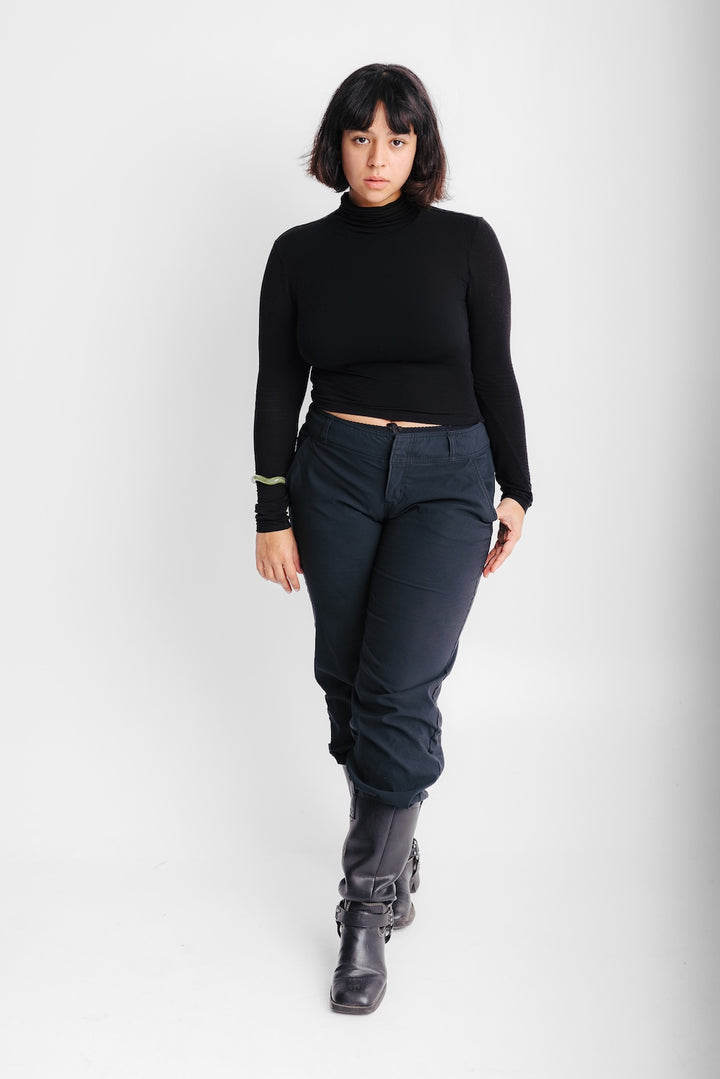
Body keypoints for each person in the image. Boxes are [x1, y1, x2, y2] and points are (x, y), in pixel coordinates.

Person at [253, 63, 532, 1015]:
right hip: (332, 471)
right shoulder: (298, 253)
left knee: (398, 685)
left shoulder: (467, 243)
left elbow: (494, 369)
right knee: (345, 677)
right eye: (361, 136)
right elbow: (276, 385)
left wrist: (518, 487)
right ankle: (393, 826)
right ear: (335, 145)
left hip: (449, 478)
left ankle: (365, 903)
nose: (378, 156)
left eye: (397, 138)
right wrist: (270, 510)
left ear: (421, 148)